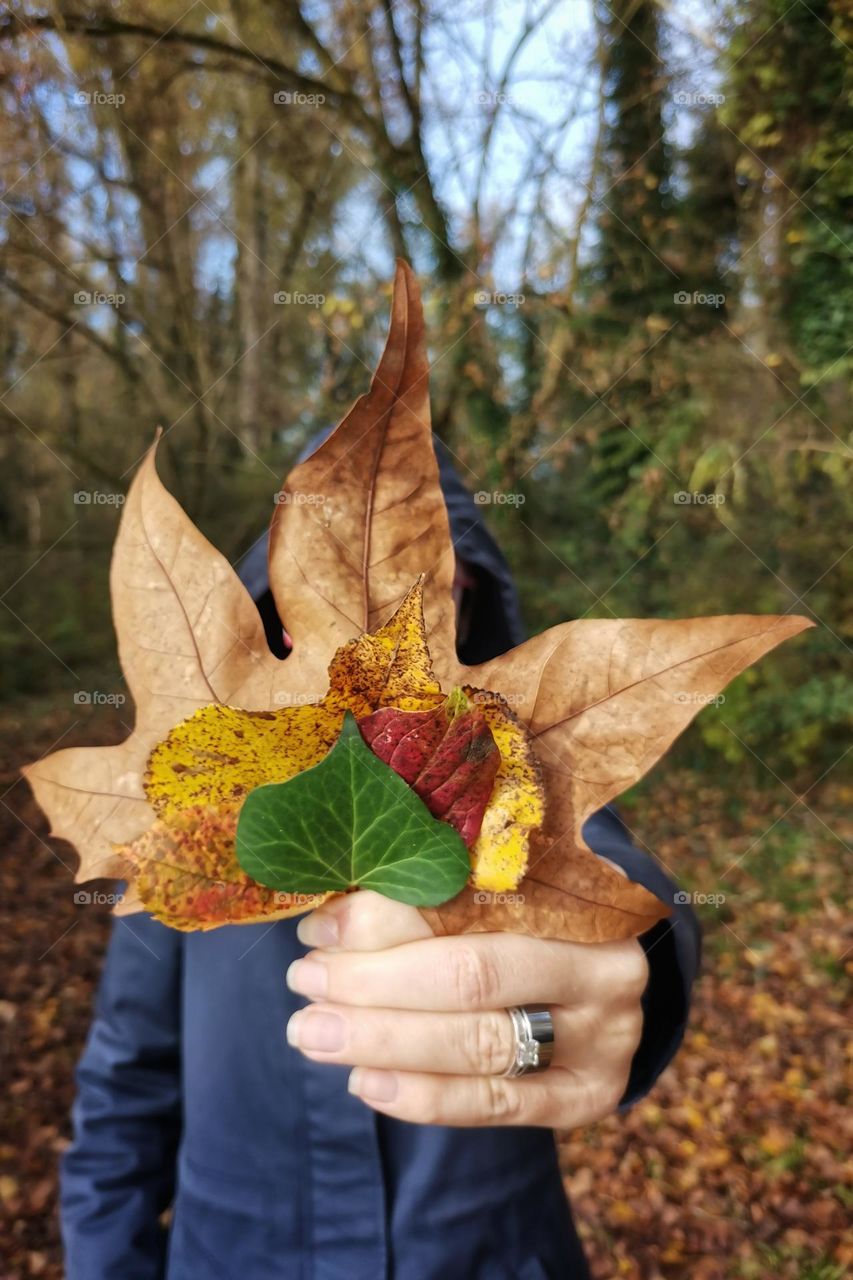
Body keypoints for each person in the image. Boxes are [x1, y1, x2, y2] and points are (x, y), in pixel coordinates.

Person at [60, 437, 701, 1279]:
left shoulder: (503, 768)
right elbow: (123, 1090)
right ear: (266, 601)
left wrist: (634, 972)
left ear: (466, 607)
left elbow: (619, 877)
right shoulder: (194, 808)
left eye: (433, 590)